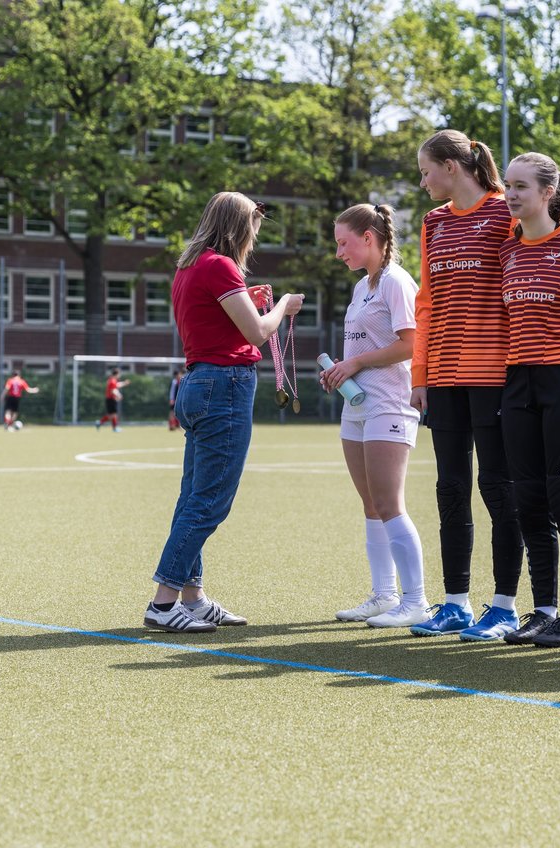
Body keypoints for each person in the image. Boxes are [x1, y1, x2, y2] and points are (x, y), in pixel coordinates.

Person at [144, 192, 304, 633]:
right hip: (224, 385)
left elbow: (216, 316)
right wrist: (281, 305)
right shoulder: (220, 265)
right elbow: (255, 332)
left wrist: (248, 300)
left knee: (193, 497)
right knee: (211, 502)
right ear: (239, 225)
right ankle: (163, 602)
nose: (256, 233)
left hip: (199, 384)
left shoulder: (191, 265)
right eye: (254, 223)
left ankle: (192, 598)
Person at [409, 129, 526, 641]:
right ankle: (455, 602)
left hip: (498, 375)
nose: (422, 181)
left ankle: (504, 606)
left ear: (453, 167)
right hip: (444, 376)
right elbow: (427, 303)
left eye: (426, 170)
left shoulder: (508, 212)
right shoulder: (433, 222)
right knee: (450, 488)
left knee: (498, 489)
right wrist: (421, 374)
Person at [494, 152, 560, 648]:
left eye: (521, 186)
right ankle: (541, 611)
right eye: (507, 185)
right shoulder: (508, 250)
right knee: (527, 501)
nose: (511, 194)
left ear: (549, 192)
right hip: (518, 382)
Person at [323, 203, 428, 628]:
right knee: (371, 503)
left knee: (389, 503)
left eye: (343, 243)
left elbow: (411, 344)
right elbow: (360, 351)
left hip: (389, 404)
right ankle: (384, 595)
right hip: (358, 406)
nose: (338, 253)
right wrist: (341, 371)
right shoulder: (361, 286)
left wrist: (356, 363)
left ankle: (416, 601)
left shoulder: (397, 282)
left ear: (369, 238)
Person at [97, 368, 129, 432]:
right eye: (119, 374)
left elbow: (117, 385)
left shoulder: (112, 380)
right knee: (113, 414)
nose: (119, 376)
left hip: (110, 399)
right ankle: (115, 428)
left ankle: (99, 423)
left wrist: (124, 383)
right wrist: (119, 395)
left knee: (111, 415)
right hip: (111, 399)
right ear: (117, 374)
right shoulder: (112, 381)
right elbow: (113, 390)